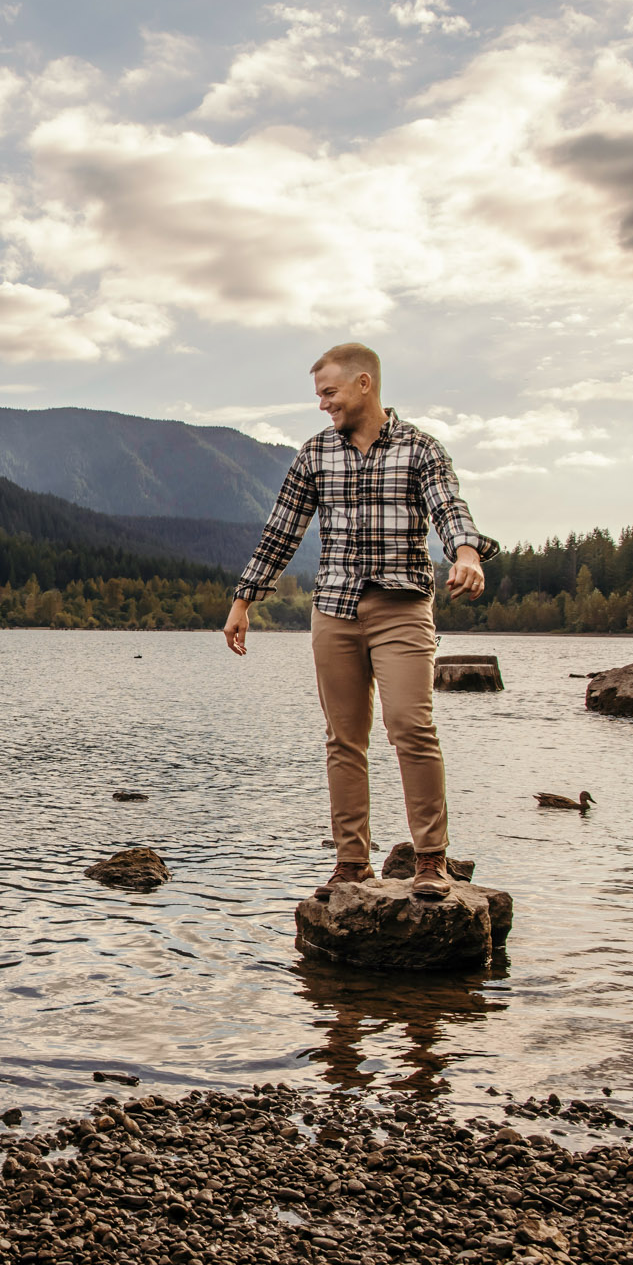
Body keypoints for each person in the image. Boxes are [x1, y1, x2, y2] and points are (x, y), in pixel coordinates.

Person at [223, 344, 497, 902]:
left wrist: (466, 554)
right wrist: (243, 601)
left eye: (330, 393)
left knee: (410, 728)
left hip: (402, 608)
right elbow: (281, 532)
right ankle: (352, 862)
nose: (323, 405)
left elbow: (449, 507)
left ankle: (430, 860)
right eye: (319, 395)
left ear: (364, 385)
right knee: (343, 738)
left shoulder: (421, 448)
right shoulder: (316, 454)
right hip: (334, 611)